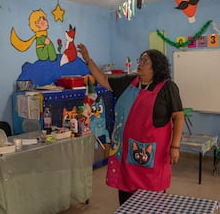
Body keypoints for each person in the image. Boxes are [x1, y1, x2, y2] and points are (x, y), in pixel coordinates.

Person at [77, 43, 184, 205]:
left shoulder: (168, 87)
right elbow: (104, 80)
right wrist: (87, 60)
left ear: (156, 67)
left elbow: (178, 116)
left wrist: (175, 146)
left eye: (145, 61)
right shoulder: (130, 81)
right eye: (140, 60)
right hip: (127, 153)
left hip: (153, 155)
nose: (139, 64)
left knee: (151, 198)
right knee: (126, 194)